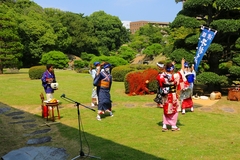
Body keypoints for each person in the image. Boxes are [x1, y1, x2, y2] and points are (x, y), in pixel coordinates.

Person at [157, 59, 186, 132]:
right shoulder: (175, 76)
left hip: (165, 95)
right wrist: (182, 63)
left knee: (166, 109)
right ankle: (173, 125)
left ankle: (164, 125)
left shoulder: (161, 76)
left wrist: (170, 65)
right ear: (172, 69)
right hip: (173, 95)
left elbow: (161, 79)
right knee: (175, 110)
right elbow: (181, 72)